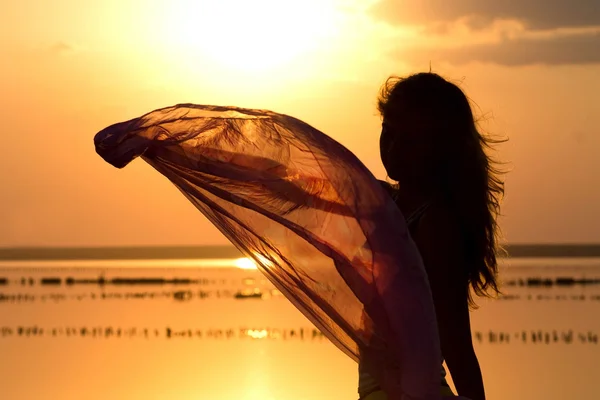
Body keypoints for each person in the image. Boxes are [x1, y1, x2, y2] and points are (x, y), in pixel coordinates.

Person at [359, 72, 505, 400]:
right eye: (388, 131)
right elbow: (316, 185)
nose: (393, 147)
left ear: (440, 148)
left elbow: (455, 341)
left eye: (409, 140)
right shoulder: (388, 203)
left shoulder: (435, 224)